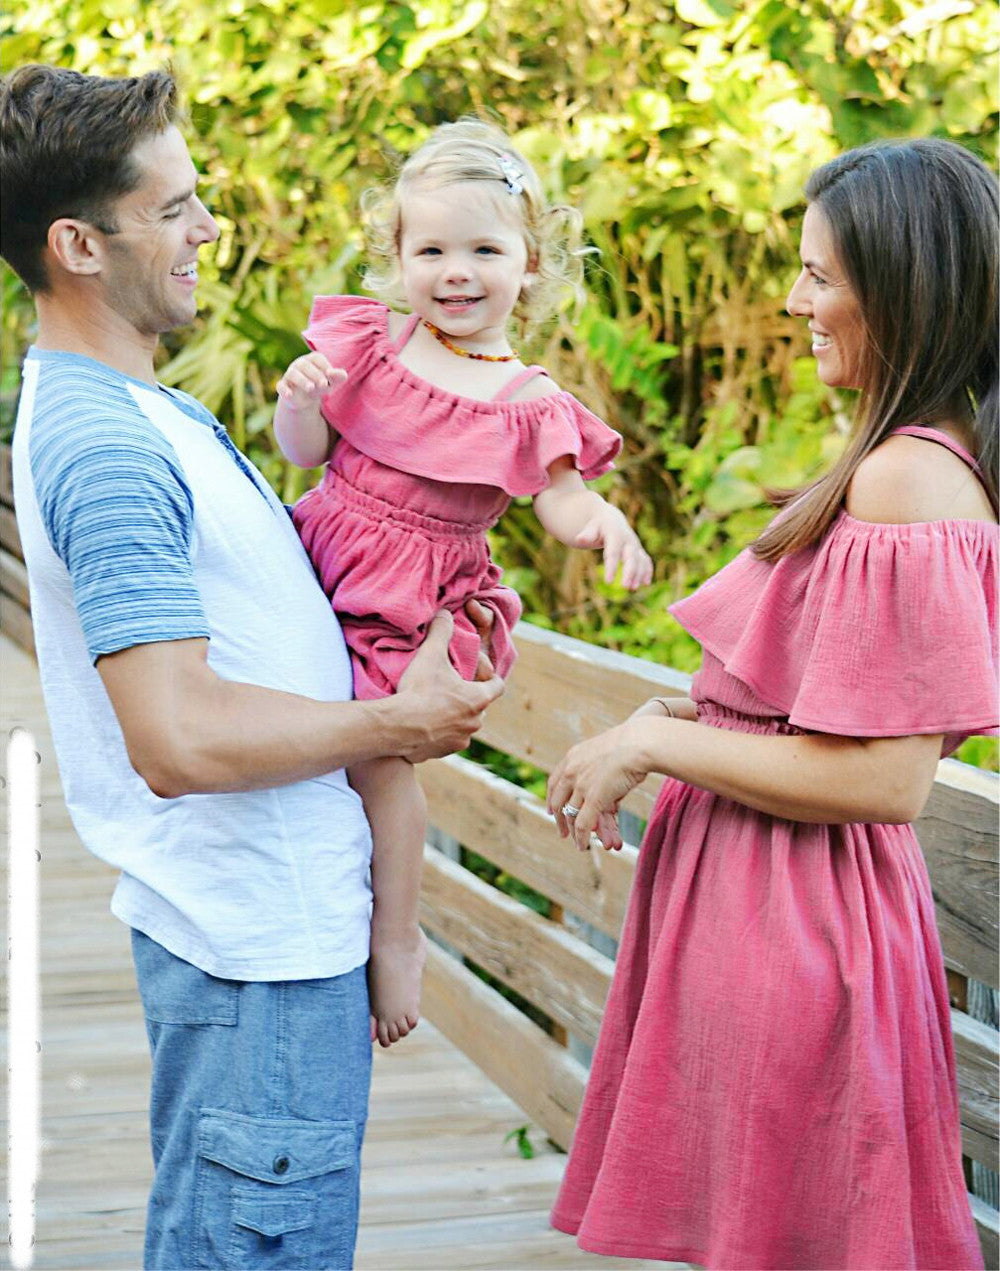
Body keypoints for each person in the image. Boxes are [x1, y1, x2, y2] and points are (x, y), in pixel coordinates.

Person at [1, 66, 504, 1271]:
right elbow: (176, 741)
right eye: (173, 208)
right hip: (257, 956)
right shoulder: (107, 443)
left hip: (266, 944)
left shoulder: (138, 406)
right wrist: (401, 719)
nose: (207, 228)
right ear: (78, 243)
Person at [545, 137, 997, 1270]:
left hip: (801, 920)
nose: (794, 300)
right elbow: (807, 720)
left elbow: (882, 777)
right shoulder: (889, 458)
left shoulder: (909, 477)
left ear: (903, 289)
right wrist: (670, 729)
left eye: (820, 276)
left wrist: (655, 740)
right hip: (764, 907)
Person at [272, 118, 653, 1048]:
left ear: (530, 264)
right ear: (396, 257)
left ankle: (397, 936)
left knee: (379, 752)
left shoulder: (526, 397)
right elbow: (307, 454)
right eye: (431, 248)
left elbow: (559, 500)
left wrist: (603, 521)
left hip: (415, 596)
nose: (457, 270)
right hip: (321, 552)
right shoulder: (372, 344)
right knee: (290, 721)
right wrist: (298, 400)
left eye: (485, 249)